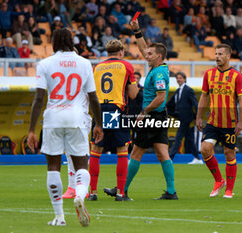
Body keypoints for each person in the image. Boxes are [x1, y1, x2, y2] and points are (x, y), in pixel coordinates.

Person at [27, 28, 103, 227]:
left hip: (53, 117)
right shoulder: (85, 63)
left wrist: (32, 130)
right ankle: (79, 195)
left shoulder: (45, 64)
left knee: (53, 166)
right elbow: (93, 97)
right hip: (77, 117)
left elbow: (38, 98)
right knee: (81, 164)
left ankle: (59, 217)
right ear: (72, 41)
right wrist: (99, 124)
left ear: (53, 42)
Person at [104, 19, 178, 200]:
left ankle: (123, 189)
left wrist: (143, 113)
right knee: (162, 153)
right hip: (159, 116)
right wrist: (137, 32)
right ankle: (171, 191)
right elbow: (144, 48)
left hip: (152, 116)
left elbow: (161, 97)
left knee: (136, 151)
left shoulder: (159, 72)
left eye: (150, 53)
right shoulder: (157, 67)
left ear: (158, 56)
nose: (146, 54)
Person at [87, 39, 138, 201]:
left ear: (107, 53)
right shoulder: (126, 66)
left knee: (96, 151)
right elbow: (133, 94)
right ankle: (120, 193)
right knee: (121, 150)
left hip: (99, 109)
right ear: (121, 52)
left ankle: (93, 192)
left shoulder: (97, 67)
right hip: (117, 108)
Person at [196, 43, 242, 199]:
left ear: (228, 56)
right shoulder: (209, 74)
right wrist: (199, 116)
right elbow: (204, 96)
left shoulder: (237, 76)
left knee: (229, 154)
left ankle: (229, 190)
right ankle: (219, 180)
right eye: (216, 53)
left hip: (230, 123)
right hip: (212, 122)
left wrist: (241, 122)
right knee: (205, 149)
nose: (217, 57)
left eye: (220, 54)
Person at [166, 72, 202, 164]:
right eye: (177, 78)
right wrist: (174, 114)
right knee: (189, 139)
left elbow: (195, 103)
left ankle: (170, 157)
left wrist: (198, 116)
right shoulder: (178, 91)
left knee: (178, 138)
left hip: (186, 118)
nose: (178, 80)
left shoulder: (188, 90)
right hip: (181, 118)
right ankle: (197, 158)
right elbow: (169, 104)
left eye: (180, 78)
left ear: (185, 79)